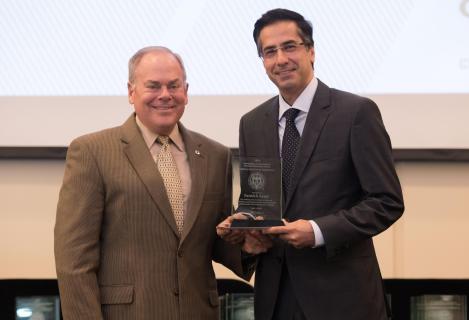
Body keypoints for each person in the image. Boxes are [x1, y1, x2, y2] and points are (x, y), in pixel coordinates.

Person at [218, 8, 404, 320]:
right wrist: (245, 223)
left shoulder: (356, 113)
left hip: (342, 297)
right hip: (274, 296)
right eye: (269, 52)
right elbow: (259, 200)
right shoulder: (252, 123)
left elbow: (387, 201)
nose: (281, 60)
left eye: (290, 46)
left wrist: (317, 231)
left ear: (311, 51)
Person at [54, 46, 252, 319]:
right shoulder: (92, 151)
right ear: (131, 91)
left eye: (174, 86)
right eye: (153, 86)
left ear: (186, 91)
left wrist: (249, 242)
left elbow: (214, 240)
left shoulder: (215, 155)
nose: (165, 95)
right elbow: (74, 261)